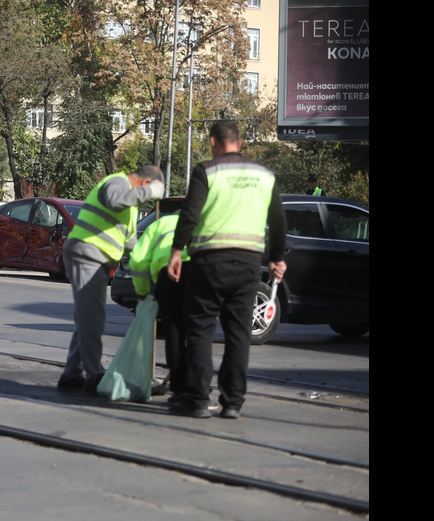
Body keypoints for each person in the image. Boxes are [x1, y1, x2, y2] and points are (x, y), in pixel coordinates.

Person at [167, 120, 287, 419]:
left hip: (209, 263)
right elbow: (280, 219)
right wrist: (275, 258)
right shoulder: (265, 175)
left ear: (212, 142)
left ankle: (196, 400)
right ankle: (233, 402)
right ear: (240, 142)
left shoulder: (207, 170)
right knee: (238, 333)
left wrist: (177, 251)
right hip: (248, 265)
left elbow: (190, 213)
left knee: (200, 331)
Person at [58, 165, 165, 395]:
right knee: (93, 318)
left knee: (87, 317)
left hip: (93, 257)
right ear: (146, 183)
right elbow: (115, 200)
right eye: (150, 190)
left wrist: (148, 259)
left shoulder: (130, 208)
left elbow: (129, 241)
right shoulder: (117, 183)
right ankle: (94, 374)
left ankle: (71, 374)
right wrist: (149, 193)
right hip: (87, 253)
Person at [127, 204, 189, 403]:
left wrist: (143, 291)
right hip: (199, 273)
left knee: (174, 333)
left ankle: (179, 390)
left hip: (168, 275)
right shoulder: (201, 223)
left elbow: (137, 260)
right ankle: (198, 389)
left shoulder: (159, 224)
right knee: (199, 334)